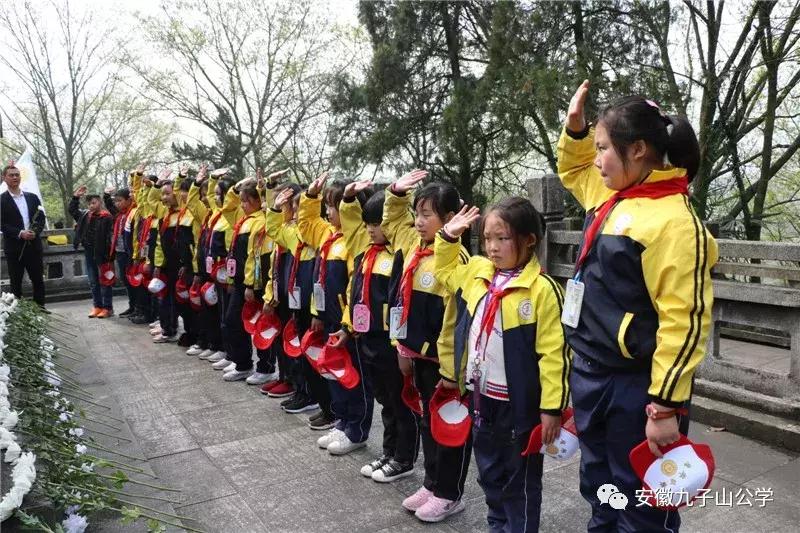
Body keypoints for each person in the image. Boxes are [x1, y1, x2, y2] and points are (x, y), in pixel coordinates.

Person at [558, 80, 717, 532]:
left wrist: (665, 407)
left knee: (644, 503)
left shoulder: (674, 221)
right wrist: (575, 132)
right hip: (592, 373)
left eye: (603, 147)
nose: (596, 159)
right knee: (600, 487)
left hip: (638, 389)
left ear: (640, 150)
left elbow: (684, 322)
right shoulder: (612, 195)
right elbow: (574, 173)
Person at [435, 197, 571, 532]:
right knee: (489, 474)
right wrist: (448, 239)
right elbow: (446, 273)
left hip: (519, 409)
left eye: (502, 238)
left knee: (520, 482)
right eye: (487, 239)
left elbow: (554, 355)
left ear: (528, 240)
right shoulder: (479, 273)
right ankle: (498, 526)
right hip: (483, 400)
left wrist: (552, 408)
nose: (492, 247)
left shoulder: (542, 290)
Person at [381, 170, 472, 523]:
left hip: (443, 364)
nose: (418, 222)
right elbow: (391, 221)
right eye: (416, 214)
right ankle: (432, 482)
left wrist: (451, 372)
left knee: (450, 427)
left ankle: (450, 493)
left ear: (450, 219)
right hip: (416, 355)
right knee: (426, 422)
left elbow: (456, 325)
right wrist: (395, 193)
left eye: (426, 215)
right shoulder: (413, 249)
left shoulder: (456, 261)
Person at [332, 184, 421, 482]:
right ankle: (389, 451)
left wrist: (402, 345)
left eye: (377, 224)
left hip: (390, 340)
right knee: (384, 399)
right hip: (366, 337)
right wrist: (347, 326)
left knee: (400, 401)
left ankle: (404, 458)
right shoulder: (364, 252)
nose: (371, 229)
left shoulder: (400, 251)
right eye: (368, 223)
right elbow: (353, 291)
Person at [298, 172, 373, 453]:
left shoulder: (357, 241)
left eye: (334, 206)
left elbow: (357, 288)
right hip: (328, 319)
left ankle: (357, 429)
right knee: (332, 373)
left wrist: (348, 324)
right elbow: (305, 226)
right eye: (327, 206)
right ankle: (341, 420)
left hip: (347, 325)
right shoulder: (329, 236)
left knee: (353, 376)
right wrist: (310, 197)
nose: (329, 212)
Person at [265, 181, 335, 422]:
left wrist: (319, 312)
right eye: (294, 210)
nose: (296, 215)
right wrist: (275, 209)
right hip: (298, 306)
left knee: (320, 359)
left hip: (317, 308)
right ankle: (312, 397)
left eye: (298, 209)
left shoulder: (322, 233)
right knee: (304, 356)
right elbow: (274, 230)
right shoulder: (295, 234)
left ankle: (328, 406)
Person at [218, 176, 267, 381]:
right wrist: (235, 188)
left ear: (257, 201)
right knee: (233, 321)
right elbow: (227, 209)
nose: (243, 204)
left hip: (251, 283)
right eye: (242, 200)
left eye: (246, 200)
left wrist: (250, 284)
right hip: (238, 280)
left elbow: (253, 256)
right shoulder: (243, 219)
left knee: (256, 325)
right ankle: (243, 362)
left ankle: (265, 367)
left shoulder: (260, 222)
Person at [1, 163, 47, 309]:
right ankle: (18, 311)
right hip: (14, 248)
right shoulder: (1, 200)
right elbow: (2, 224)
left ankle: (40, 308)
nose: (15, 177)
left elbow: (40, 218)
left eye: (17, 174)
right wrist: (20, 233)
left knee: (38, 279)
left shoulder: (32, 197)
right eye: (11, 175)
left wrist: (35, 231)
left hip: (33, 246)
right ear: (4, 178)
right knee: (16, 281)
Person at [69, 185, 114, 318]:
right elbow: (72, 210)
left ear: (99, 202)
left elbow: (110, 236)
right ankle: (97, 306)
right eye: (89, 203)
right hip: (89, 252)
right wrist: (75, 197)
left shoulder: (107, 217)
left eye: (93, 203)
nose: (91, 206)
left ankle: (108, 308)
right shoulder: (84, 215)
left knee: (105, 280)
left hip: (103, 254)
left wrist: (109, 253)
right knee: (93, 281)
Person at [105, 185, 137, 317]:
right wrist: (106, 196)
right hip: (119, 251)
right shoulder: (119, 215)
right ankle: (132, 306)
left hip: (130, 252)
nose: (117, 204)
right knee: (125, 279)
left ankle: (138, 307)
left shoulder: (133, 213)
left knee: (133, 280)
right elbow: (110, 207)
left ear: (129, 200)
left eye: (120, 200)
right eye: (115, 201)